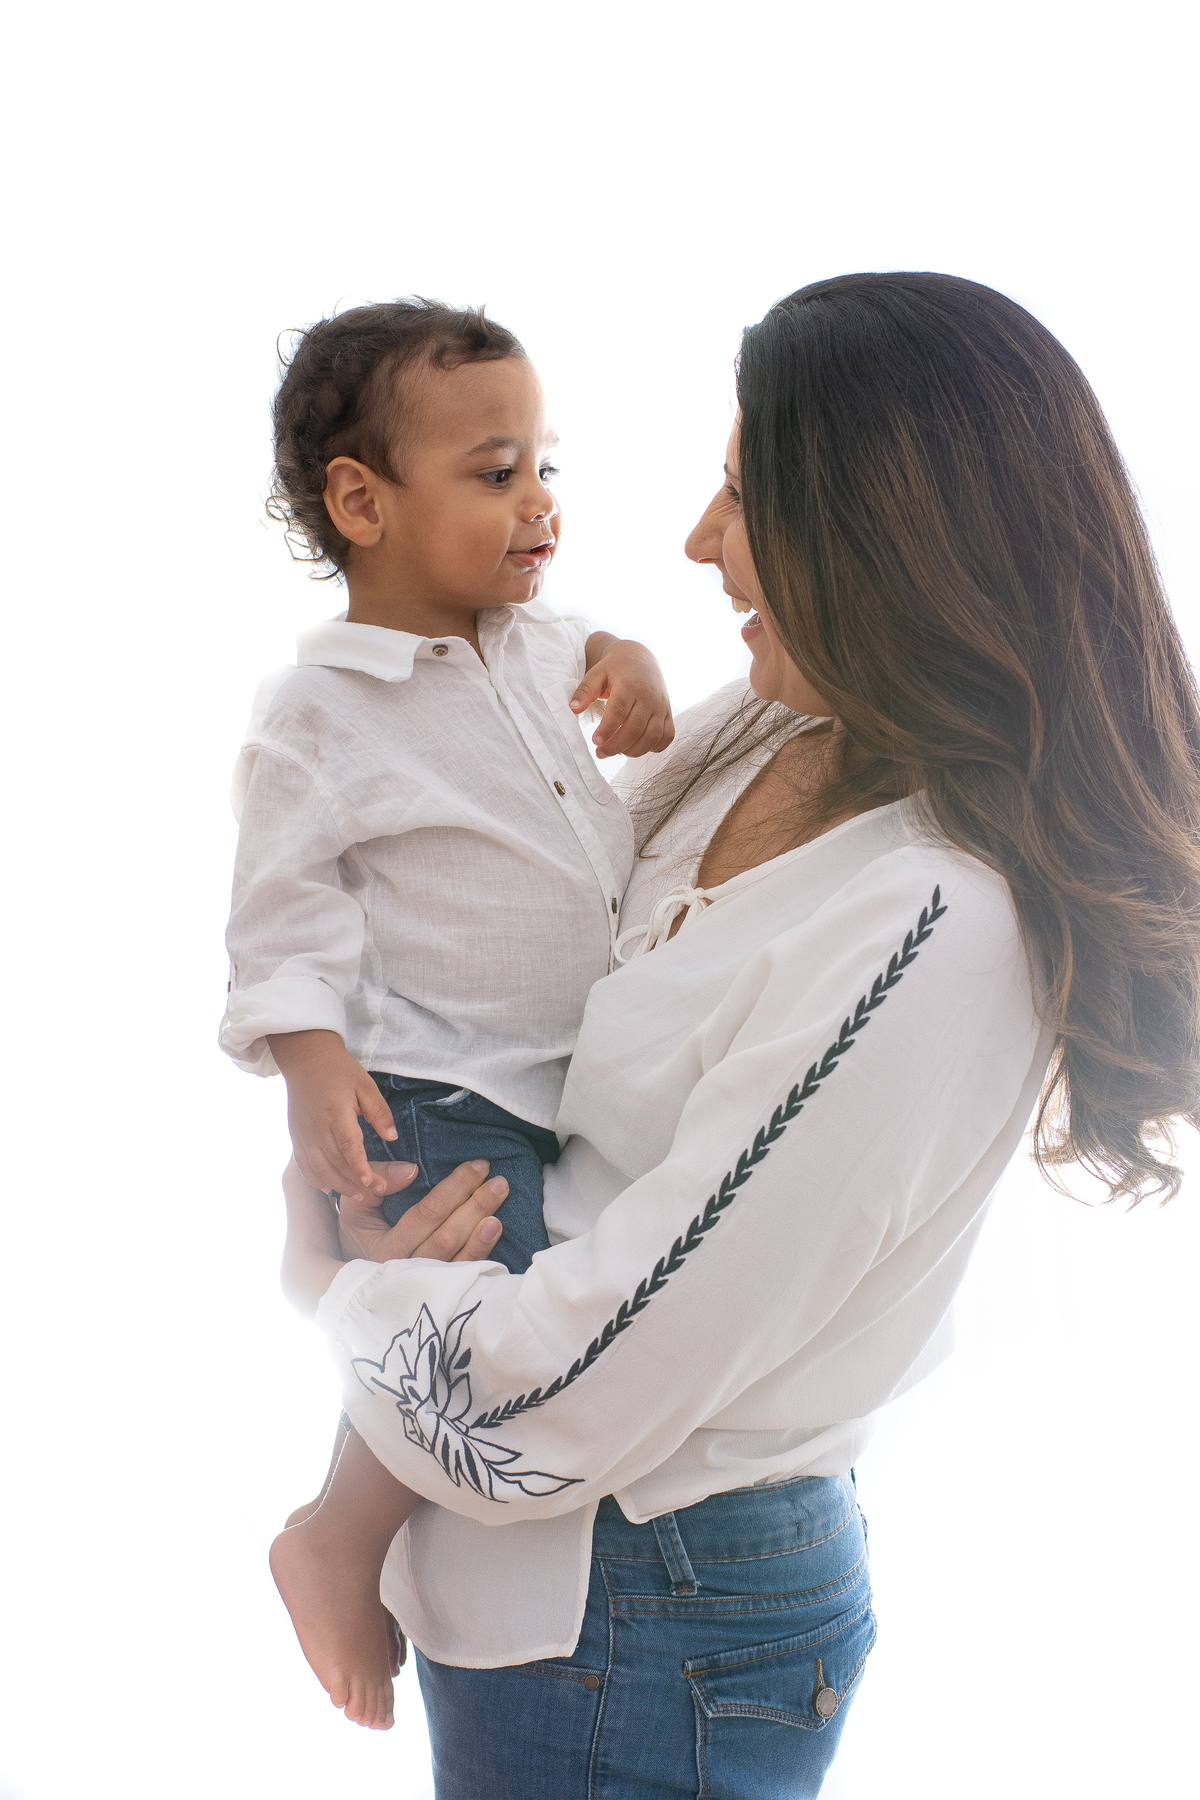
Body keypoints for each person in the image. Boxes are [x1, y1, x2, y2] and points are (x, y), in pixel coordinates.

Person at [283, 271, 1200, 1800]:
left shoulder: (938, 925)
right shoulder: (785, 729)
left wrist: (340, 1287)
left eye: (739, 493)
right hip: (544, 1562)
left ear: (883, 537)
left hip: (643, 1610)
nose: (701, 542)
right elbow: (531, 952)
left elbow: (571, 1399)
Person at [220, 298, 675, 1728]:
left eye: (547, 467)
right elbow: (282, 910)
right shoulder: (321, 712)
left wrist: (641, 668)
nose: (540, 504)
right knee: (467, 1319)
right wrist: (307, 1057)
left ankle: (363, 1528)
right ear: (363, 502)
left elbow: (603, 647)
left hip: (560, 1078)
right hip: (431, 1077)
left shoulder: (541, 645)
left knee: (510, 1311)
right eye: (496, 474)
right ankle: (337, 1533)